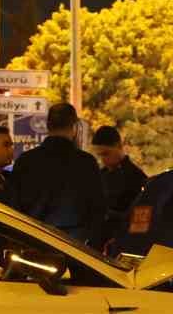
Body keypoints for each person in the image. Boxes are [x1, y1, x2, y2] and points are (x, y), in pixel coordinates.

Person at [10, 102, 105, 245]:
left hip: (33, 242)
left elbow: (13, 208)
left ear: (48, 126)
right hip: (76, 248)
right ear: (74, 127)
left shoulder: (25, 161)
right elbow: (98, 210)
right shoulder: (86, 163)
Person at [93, 125, 147, 247]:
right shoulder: (101, 175)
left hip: (123, 239)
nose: (103, 159)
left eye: (106, 154)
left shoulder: (135, 176)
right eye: (100, 155)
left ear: (118, 146)